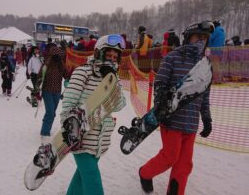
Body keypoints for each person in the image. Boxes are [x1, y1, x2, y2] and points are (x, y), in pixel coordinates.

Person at [138, 21, 214, 195]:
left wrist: (207, 118)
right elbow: (160, 83)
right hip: (172, 120)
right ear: (188, 37)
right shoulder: (173, 57)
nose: (201, 41)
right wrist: (160, 104)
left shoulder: (206, 64)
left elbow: (204, 95)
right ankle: (145, 173)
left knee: (185, 163)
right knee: (170, 156)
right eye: (198, 36)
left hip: (191, 123)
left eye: (205, 38)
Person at [60, 34, 126, 195]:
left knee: (81, 178)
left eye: (115, 57)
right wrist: (71, 131)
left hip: (100, 139)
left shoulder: (113, 78)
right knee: (93, 181)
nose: (111, 59)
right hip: (82, 138)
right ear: (99, 53)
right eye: (108, 55)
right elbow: (68, 103)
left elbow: (120, 105)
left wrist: (112, 82)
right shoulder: (83, 73)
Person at [37, 46, 69, 140]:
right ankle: (44, 132)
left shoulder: (61, 65)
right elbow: (39, 77)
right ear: (51, 55)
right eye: (56, 56)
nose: (57, 58)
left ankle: (47, 127)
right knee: (50, 111)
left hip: (57, 92)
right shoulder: (46, 66)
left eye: (59, 56)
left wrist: (71, 72)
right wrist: (36, 89)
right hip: (47, 91)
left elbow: (66, 75)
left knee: (52, 112)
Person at [208, 20, 226, 84]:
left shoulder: (215, 31)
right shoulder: (222, 31)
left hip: (214, 51)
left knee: (214, 66)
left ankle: (216, 80)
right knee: (218, 66)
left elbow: (210, 39)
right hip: (220, 51)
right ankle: (220, 79)